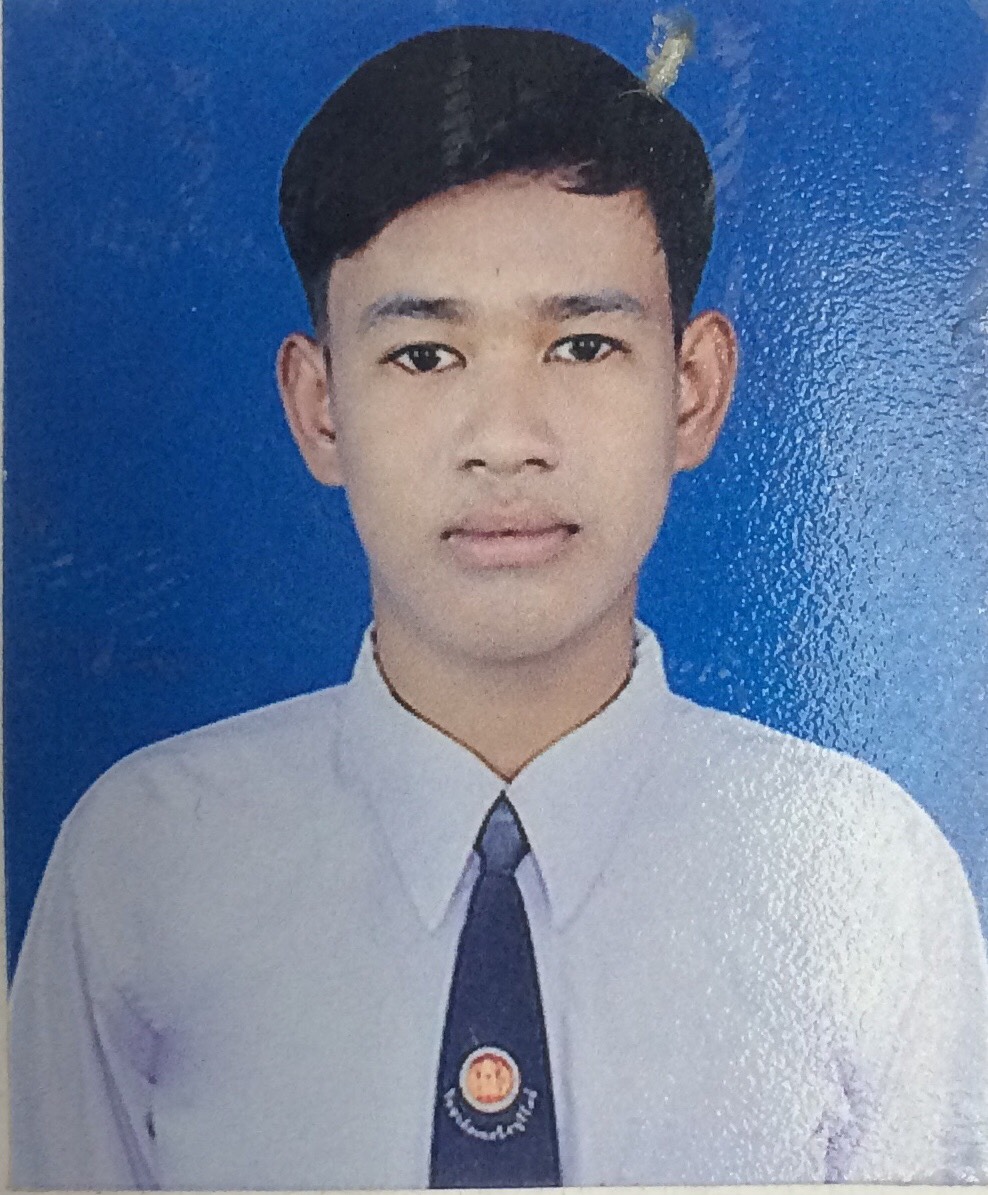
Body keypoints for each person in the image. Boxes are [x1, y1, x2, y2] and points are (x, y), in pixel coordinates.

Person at [9, 23, 988, 1190]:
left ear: (692, 390)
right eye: (425, 356)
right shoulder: (142, 860)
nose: (506, 441)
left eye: (583, 345)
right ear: (320, 407)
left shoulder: (867, 873)